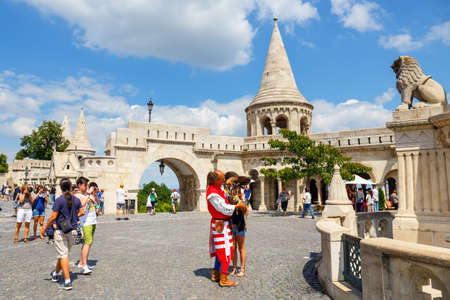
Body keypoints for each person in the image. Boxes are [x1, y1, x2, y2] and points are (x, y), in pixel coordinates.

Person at [41, 178, 83, 291]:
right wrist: (74, 218)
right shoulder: (76, 199)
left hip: (61, 231)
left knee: (63, 255)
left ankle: (68, 281)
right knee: (63, 253)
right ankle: (55, 273)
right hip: (73, 231)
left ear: (60, 188)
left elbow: (53, 216)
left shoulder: (59, 200)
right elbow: (82, 211)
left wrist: (45, 229)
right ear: (70, 187)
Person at [207, 170, 247, 287]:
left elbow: (226, 199)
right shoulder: (212, 193)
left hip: (223, 223)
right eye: (222, 178)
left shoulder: (218, 190)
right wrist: (237, 206)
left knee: (223, 249)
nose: (224, 180)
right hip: (220, 224)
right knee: (225, 251)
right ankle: (223, 278)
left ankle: (216, 274)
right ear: (216, 180)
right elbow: (223, 208)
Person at [76, 178, 99, 275]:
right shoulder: (78, 195)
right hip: (86, 222)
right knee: (87, 242)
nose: (86, 187)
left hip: (93, 220)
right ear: (79, 185)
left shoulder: (88, 195)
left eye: (87, 185)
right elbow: (82, 204)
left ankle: (82, 262)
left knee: (88, 243)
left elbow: (97, 203)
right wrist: (89, 194)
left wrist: (94, 194)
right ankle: (84, 265)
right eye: (84, 185)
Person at [230, 186, 247, 278]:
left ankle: (242, 269)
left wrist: (241, 201)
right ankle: (234, 268)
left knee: (241, 248)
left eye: (236, 192)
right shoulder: (229, 202)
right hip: (231, 229)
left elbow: (245, 211)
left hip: (240, 227)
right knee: (233, 249)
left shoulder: (241, 203)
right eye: (233, 192)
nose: (234, 194)